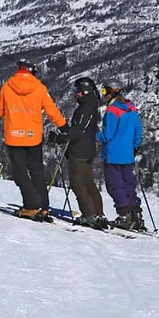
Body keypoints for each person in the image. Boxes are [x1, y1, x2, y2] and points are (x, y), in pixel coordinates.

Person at [0, 59, 68, 222]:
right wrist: (63, 127)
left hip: (13, 136)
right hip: (33, 136)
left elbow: (0, 111)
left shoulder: (7, 87)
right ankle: (43, 206)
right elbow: (52, 110)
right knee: (37, 171)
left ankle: (30, 205)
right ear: (32, 71)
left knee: (19, 172)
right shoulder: (40, 88)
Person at [96, 79, 145, 230]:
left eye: (104, 91)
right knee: (128, 184)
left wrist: (94, 135)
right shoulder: (131, 108)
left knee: (115, 186)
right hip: (127, 155)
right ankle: (136, 215)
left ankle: (125, 216)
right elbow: (138, 130)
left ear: (112, 92)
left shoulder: (112, 111)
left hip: (113, 155)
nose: (103, 95)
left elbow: (107, 135)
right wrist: (134, 147)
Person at [60, 76, 109, 230]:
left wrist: (60, 138)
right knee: (88, 183)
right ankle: (98, 214)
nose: (75, 93)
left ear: (84, 91)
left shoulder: (86, 108)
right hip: (87, 149)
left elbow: (79, 131)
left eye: (76, 90)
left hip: (80, 151)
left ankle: (89, 215)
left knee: (78, 183)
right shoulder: (90, 105)